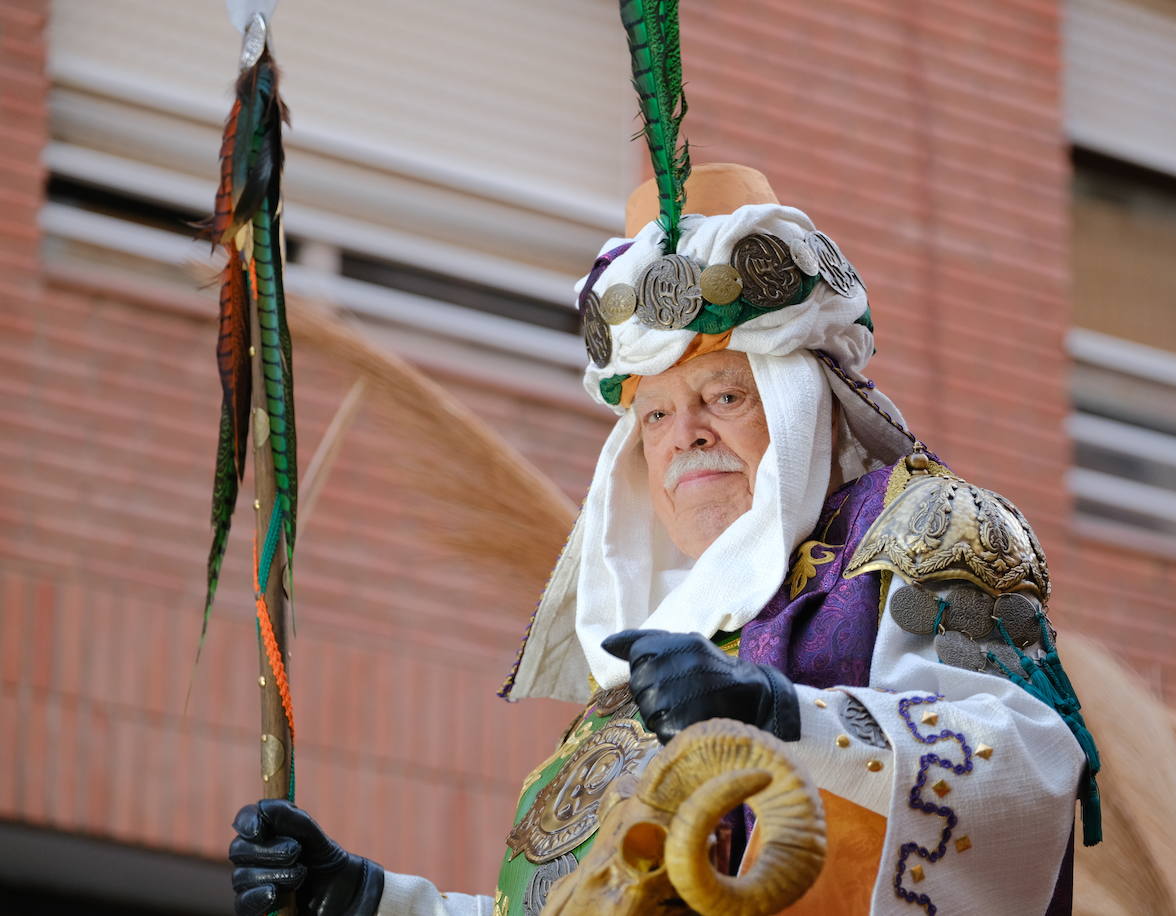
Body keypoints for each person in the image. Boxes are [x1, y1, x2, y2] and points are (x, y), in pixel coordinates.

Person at [229, 164, 1098, 916]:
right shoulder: (638, 684)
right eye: (655, 414)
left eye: (724, 397)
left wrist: (773, 711)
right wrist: (370, 900)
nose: (684, 436)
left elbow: (1025, 766)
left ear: (804, 409)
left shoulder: (922, 529)